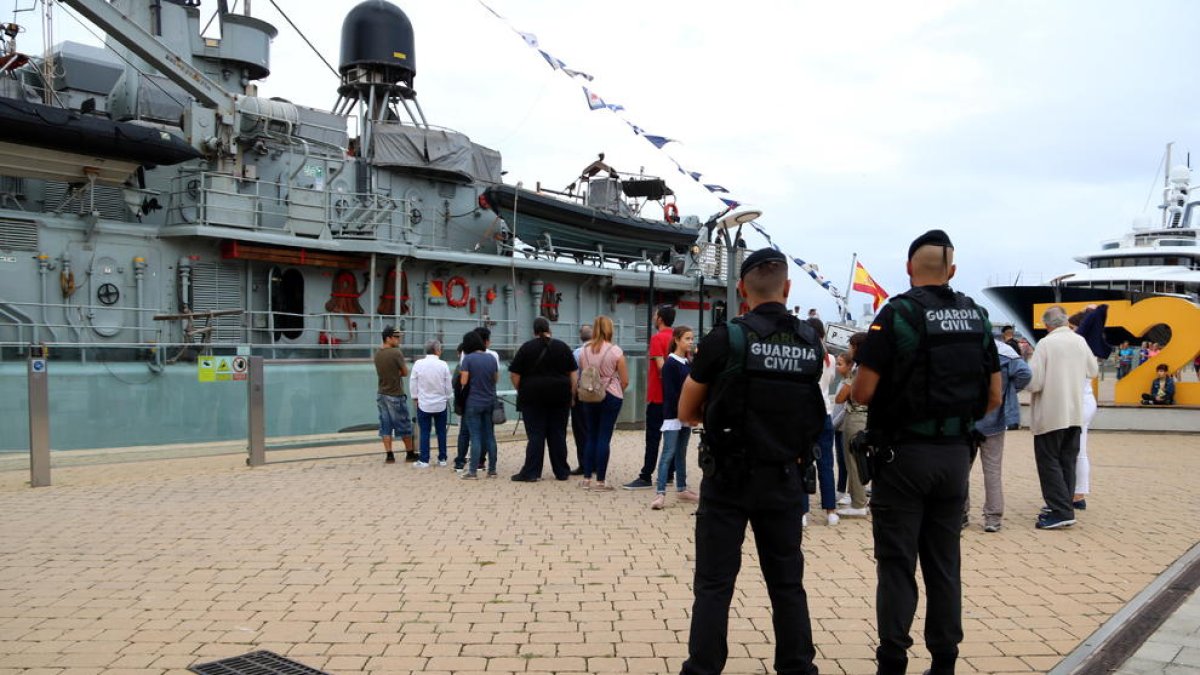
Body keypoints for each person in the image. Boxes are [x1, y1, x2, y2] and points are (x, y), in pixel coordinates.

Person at [851, 229, 1001, 675]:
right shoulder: (977, 316)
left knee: (897, 564)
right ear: (952, 271)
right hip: (956, 456)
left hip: (903, 457)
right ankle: (944, 661)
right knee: (945, 562)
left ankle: (893, 659)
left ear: (909, 269)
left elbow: (863, 389)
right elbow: (993, 395)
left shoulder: (896, 314)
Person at [677, 248, 827, 675]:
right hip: (784, 477)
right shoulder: (809, 342)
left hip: (728, 479)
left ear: (742, 291)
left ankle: (703, 669)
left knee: (714, 585)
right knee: (787, 585)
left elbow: (687, 411)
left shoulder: (727, 338)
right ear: (789, 288)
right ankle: (797, 668)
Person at [1026, 305, 1099, 529]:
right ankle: (1065, 503)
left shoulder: (1046, 344)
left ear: (1047, 325)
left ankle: (1060, 510)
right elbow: (1093, 370)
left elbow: (1034, 381)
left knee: (1048, 461)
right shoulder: (1079, 341)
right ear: (1066, 321)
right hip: (1075, 411)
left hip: (1051, 412)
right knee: (1068, 460)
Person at [965, 337, 1031, 532]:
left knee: (961, 471)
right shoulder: (1004, 351)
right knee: (993, 471)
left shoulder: (965, 345)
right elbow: (1025, 373)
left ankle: (960, 513)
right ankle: (993, 518)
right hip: (994, 419)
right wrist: (1009, 390)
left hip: (966, 420)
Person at [510, 317, 578, 482]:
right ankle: (561, 471)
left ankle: (531, 472)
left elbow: (514, 374)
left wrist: (523, 389)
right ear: (549, 329)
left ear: (534, 331)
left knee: (536, 435)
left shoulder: (526, 348)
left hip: (533, 397)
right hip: (560, 396)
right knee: (558, 434)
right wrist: (572, 394)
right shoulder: (562, 347)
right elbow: (573, 374)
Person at [625, 305, 676, 490]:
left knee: (653, 438)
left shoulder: (657, 339)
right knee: (671, 437)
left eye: (655, 315)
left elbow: (663, 368)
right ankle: (670, 474)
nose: (654, 318)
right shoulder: (678, 338)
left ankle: (646, 475)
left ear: (660, 319)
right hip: (674, 398)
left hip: (657, 397)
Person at [577, 315, 629, 490]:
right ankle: (600, 480)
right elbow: (625, 380)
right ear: (610, 329)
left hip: (589, 394)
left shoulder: (584, 349)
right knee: (604, 437)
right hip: (610, 395)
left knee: (591, 435)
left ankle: (586, 479)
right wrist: (616, 389)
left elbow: (584, 371)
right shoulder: (615, 351)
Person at [650, 325, 698, 509]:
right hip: (674, 414)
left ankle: (682, 488)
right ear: (677, 340)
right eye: (687, 338)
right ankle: (660, 492)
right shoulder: (671, 363)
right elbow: (671, 393)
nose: (690, 342)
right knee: (668, 453)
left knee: (681, 453)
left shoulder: (687, 362)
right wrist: (685, 413)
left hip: (684, 413)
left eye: (692, 339)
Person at [801, 317, 839, 527]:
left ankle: (803, 512)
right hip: (825, 412)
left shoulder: (804, 355)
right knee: (826, 464)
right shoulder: (830, 359)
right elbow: (831, 381)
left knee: (804, 462)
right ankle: (830, 511)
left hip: (805, 414)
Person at [459, 329, 499, 479]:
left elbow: (464, 381)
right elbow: (495, 378)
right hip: (489, 401)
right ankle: (492, 470)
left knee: (475, 436)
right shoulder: (491, 358)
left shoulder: (468, 359)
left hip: (473, 402)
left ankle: (473, 471)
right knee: (490, 435)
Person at [834, 352, 869, 518]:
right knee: (856, 459)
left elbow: (840, 398)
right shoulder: (868, 370)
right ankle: (856, 498)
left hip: (855, 417)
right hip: (864, 417)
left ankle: (859, 503)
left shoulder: (857, 373)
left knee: (853, 461)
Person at [374, 326, 415, 464]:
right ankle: (409, 453)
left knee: (385, 425)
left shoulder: (378, 353)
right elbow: (404, 372)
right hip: (395, 394)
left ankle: (389, 455)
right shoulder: (396, 353)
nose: (398, 339)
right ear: (388, 338)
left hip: (382, 394)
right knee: (404, 424)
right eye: (396, 337)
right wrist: (396, 373)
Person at [409, 339, 453, 468]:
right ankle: (442, 458)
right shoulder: (443, 364)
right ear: (437, 350)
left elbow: (413, 382)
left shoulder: (418, 364)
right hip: (440, 403)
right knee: (441, 431)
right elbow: (448, 384)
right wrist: (447, 396)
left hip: (424, 404)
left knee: (425, 432)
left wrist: (415, 398)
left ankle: (424, 460)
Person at [570, 324, 593, 474]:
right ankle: (598, 463)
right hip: (598, 394)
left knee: (580, 430)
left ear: (580, 336)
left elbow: (574, 377)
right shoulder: (603, 350)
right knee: (595, 430)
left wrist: (572, 397)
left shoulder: (577, 353)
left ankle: (584, 464)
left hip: (581, 394)